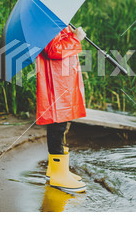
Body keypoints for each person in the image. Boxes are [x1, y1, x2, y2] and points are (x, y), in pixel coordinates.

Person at [36, 25, 87, 193]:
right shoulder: (49, 22)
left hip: (64, 81)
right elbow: (53, 50)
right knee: (57, 124)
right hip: (57, 82)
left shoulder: (58, 21)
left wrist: (71, 34)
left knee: (63, 124)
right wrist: (75, 38)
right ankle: (58, 175)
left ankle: (57, 170)